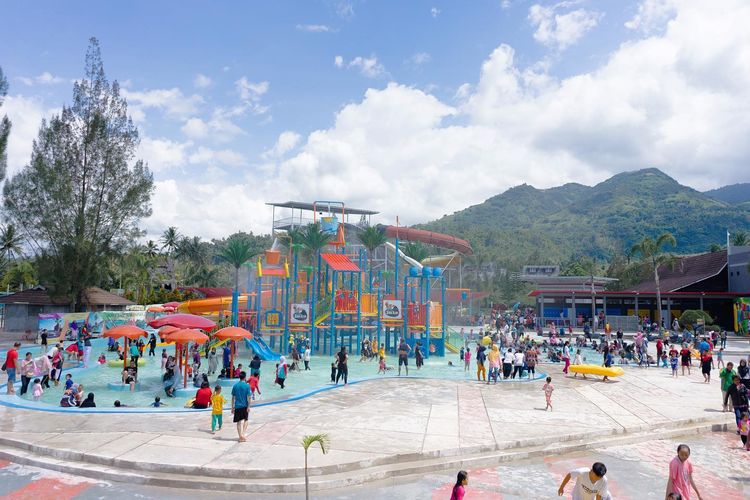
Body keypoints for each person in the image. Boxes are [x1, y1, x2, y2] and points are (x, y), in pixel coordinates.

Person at [231, 371, 251, 442]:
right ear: (245, 377)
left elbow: (233, 397)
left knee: (238, 421)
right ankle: (243, 434)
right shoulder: (247, 386)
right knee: (246, 420)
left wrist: (232, 407)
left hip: (237, 406)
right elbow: (249, 397)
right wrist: (249, 406)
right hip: (245, 405)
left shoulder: (235, 386)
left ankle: (240, 436)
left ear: (239, 377)